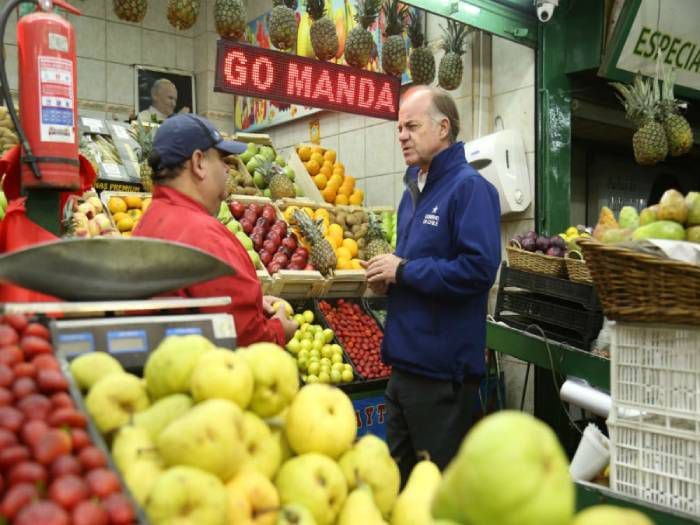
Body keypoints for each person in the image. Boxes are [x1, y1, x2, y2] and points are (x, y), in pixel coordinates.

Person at [363, 86, 501, 484]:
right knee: (400, 486)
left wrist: (403, 271)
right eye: (399, 128)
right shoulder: (412, 193)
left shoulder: (470, 189)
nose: (402, 135)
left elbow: (478, 270)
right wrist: (389, 282)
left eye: (412, 126)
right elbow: (416, 269)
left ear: (443, 128)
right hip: (403, 367)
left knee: (436, 491)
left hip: (442, 376)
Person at [133, 114, 297, 346]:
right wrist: (279, 330)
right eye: (222, 160)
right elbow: (243, 336)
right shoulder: (204, 234)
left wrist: (252, 302)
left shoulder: (149, 219)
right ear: (199, 162)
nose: (227, 170)